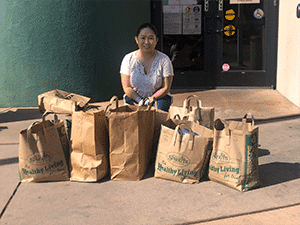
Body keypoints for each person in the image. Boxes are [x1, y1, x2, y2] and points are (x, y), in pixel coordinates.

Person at [120, 23, 174, 112]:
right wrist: (139, 100)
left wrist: (151, 99)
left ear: (156, 40)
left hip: (157, 98)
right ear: (136, 39)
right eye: (143, 38)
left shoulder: (164, 59)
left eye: (151, 38)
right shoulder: (128, 59)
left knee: (160, 109)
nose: (146, 42)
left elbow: (166, 87)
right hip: (135, 97)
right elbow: (126, 87)